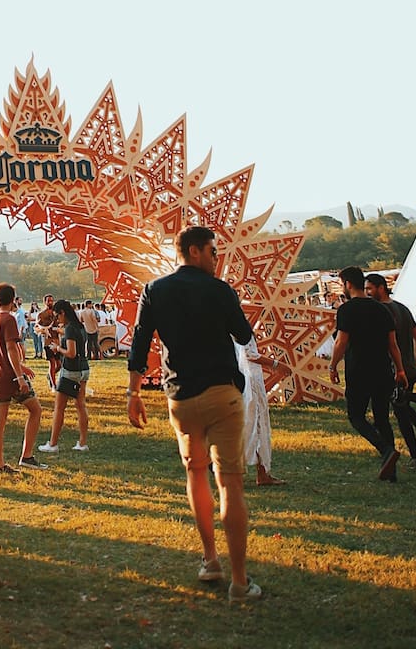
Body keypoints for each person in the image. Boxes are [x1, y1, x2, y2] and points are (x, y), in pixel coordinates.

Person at [127, 226, 261, 604]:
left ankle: (209, 558)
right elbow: (242, 332)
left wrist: (133, 392)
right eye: (213, 252)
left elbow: (140, 341)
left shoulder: (155, 290)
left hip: (181, 397)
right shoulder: (218, 290)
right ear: (196, 251)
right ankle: (239, 581)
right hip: (222, 393)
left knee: (196, 474)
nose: (217, 258)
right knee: (230, 482)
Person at [329, 266, 408, 482]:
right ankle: (391, 472)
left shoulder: (347, 310)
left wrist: (333, 366)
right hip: (382, 369)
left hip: (358, 370)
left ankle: (385, 451)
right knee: (382, 418)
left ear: (347, 284)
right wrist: (400, 369)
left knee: (356, 416)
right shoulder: (382, 309)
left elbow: (341, 342)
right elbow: (393, 345)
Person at [365, 273, 416, 469]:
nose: (367, 293)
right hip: (408, 367)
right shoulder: (402, 308)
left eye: (369, 289)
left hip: (395, 369)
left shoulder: (381, 311)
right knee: (402, 410)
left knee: (401, 409)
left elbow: (387, 344)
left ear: (380, 287)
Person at [0, 285, 43, 474]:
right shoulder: (8, 319)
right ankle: (26, 456)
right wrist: (20, 376)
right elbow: (10, 348)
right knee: (35, 410)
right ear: (13, 300)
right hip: (11, 377)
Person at [39, 299, 90, 453]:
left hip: (71, 370)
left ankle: (53, 444)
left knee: (59, 408)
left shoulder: (69, 329)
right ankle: (82, 443)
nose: (57, 320)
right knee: (80, 405)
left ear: (63, 313)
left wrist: (58, 348)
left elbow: (71, 353)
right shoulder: (80, 327)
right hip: (84, 368)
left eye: (58, 316)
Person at [235, 337, 284, 485]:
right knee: (254, 425)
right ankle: (242, 470)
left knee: (257, 425)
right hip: (251, 383)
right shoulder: (240, 328)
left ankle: (262, 472)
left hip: (247, 379)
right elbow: (250, 354)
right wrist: (276, 364)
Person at [36, 295, 59, 388]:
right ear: (45, 302)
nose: (50, 302)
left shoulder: (56, 313)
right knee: (52, 363)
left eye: (52, 301)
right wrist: (43, 330)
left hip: (57, 341)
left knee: (60, 364)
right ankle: (54, 385)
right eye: (49, 301)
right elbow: (37, 327)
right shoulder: (41, 314)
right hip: (47, 341)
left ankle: (50, 375)